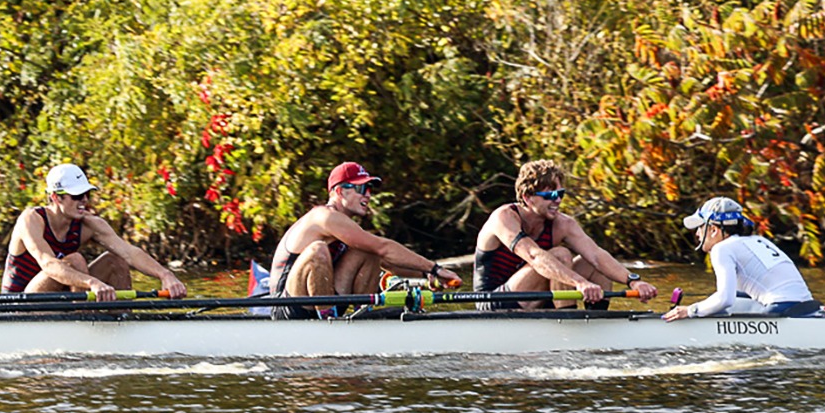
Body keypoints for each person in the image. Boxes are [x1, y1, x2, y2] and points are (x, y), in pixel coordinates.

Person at [266, 161, 459, 320]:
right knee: (318, 250)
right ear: (340, 191)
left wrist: (427, 276)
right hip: (288, 307)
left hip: (323, 300)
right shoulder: (324, 217)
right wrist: (435, 268)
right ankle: (328, 323)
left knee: (368, 251)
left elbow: (388, 261)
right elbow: (384, 247)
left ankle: (362, 317)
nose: (367, 194)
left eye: (369, 189)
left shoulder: (346, 227)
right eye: (361, 188)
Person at [474, 160, 658, 309]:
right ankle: (569, 326)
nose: (558, 200)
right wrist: (579, 282)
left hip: (537, 294)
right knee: (560, 255)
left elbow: (596, 255)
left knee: (591, 262)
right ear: (527, 198)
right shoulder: (504, 217)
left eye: (560, 193)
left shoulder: (563, 223)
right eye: (550, 195)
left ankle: (596, 323)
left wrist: (634, 282)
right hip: (495, 300)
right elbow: (534, 256)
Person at [0, 164, 186, 300]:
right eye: (77, 196)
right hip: (19, 303)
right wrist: (92, 283)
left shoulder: (88, 224)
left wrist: (166, 275)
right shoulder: (31, 219)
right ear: (56, 197)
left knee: (116, 261)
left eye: (87, 194)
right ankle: (83, 322)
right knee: (75, 260)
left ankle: (122, 320)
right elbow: (49, 264)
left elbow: (129, 253)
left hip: (58, 299)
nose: (84, 201)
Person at [663, 197, 818, 320]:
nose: (697, 233)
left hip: (782, 309)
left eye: (700, 227)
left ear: (713, 230)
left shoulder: (721, 249)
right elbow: (737, 295)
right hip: (809, 306)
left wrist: (690, 311)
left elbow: (725, 300)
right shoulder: (758, 240)